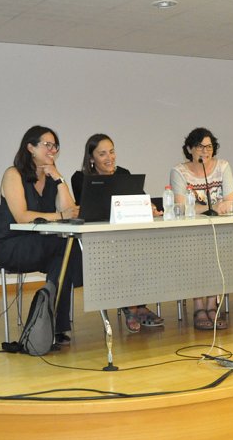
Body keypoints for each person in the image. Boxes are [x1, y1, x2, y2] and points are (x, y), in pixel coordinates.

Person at [0, 125, 82, 345]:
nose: (52, 150)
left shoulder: (51, 176)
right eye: (47, 145)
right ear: (30, 147)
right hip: (11, 245)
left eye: (55, 146)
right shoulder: (13, 174)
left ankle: (51, 323)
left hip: (41, 243)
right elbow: (22, 216)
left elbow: (71, 212)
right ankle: (54, 322)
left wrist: (59, 179)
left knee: (65, 252)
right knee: (65, 249)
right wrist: (59, 214)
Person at [70, 133, 164, 333]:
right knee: (125, 253)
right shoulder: (80, 178)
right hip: (97, 238)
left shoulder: (123, 173)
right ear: (91, 158)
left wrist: (151, 207)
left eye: (112, 152)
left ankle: (137, 304)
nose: (109, 158)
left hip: (122, 235)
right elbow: (89, 208)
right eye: (102, 154)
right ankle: (131, 307)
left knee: (142, 249)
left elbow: (140, 198)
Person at [169, 127, 233, 331]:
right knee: (196, 253)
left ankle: (212, 305)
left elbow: (230, 202)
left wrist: (216, 208)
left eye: (209, 147)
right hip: (191, 233)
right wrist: (210, 208)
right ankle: (199, 306)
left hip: (218, 231)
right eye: (200, 147)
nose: (205, 151)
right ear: (190, 149)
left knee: (218, 252)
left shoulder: (223, 167)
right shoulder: (179, 171)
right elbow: (180, 207)